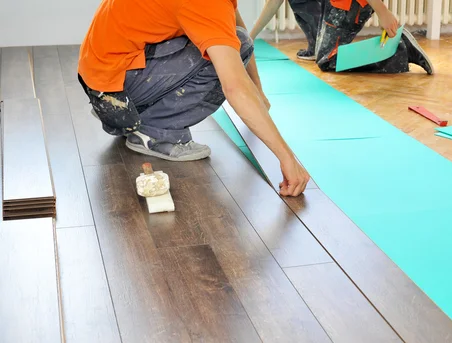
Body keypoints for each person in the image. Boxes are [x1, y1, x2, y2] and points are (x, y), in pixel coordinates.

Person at [77, 0, 310, 197]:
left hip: (103, 76)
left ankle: (125, 108)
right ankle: (156, 133)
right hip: (115, 91)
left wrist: (258, 90)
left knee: (238, 41)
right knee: (226, 56)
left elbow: (235, 26)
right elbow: (235, 86)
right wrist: (286, 158)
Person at [250, 0, 434, 74]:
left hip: (351, 3)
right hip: (335, 4)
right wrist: (249, 39)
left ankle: (401, 51)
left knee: (327, 61)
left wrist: (382, 12)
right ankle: (317, 45)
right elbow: (273, 3)